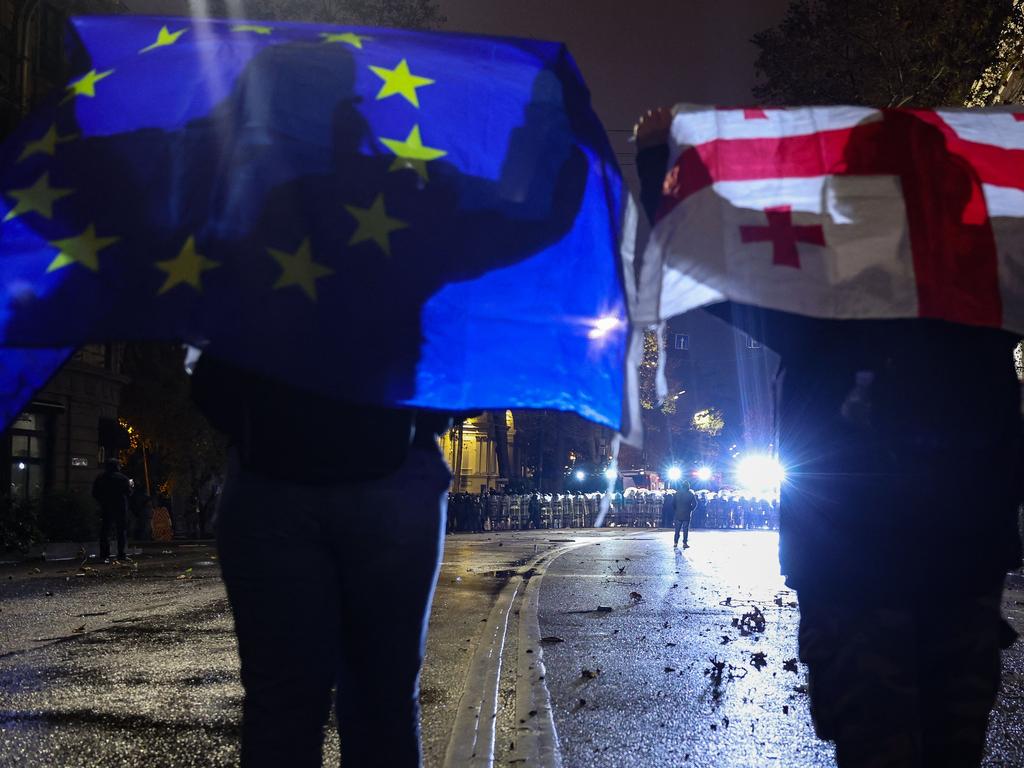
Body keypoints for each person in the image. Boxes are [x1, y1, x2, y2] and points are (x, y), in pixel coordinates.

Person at [635, 105, 1023, 767]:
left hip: (855, 573)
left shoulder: (815, 303)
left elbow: (699, 251)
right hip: (958, 565)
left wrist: (657, 158)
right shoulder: (988, 299)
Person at [92, 458, 132, 562]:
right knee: (121, 531)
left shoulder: (101, 478)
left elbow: (95, 493)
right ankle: (121, 554)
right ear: (117, 466)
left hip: (106, 506)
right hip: (120, 507)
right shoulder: (122, 478)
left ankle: (104, 554)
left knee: (105, 530)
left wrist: (102, 500)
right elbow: (128, 492)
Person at [673, 482, 697, 548]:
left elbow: (673, 503)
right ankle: (684, 543)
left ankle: (675, 542)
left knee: (677, 529)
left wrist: (676, 509)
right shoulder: (690, 494)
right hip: (686, 514)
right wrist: (691, 509)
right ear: (688, 486)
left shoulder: (677, 493)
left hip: (678, 514)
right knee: (685, 530)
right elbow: (695, 504)